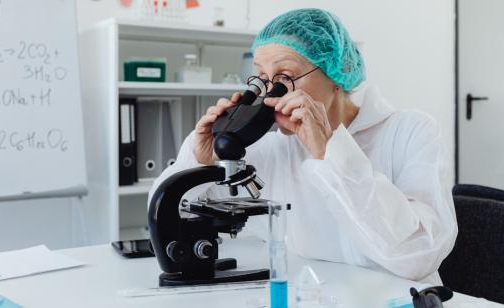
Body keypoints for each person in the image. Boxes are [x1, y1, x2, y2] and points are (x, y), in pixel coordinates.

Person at [148, 8, 457, 284]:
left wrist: (329, 152)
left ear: (336, 73)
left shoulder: (411, 132)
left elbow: (420, 254)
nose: (271, 93)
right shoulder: (275, 148)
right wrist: (199, 158)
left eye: (285, 77)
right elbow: (164, 216)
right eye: (262, 79)